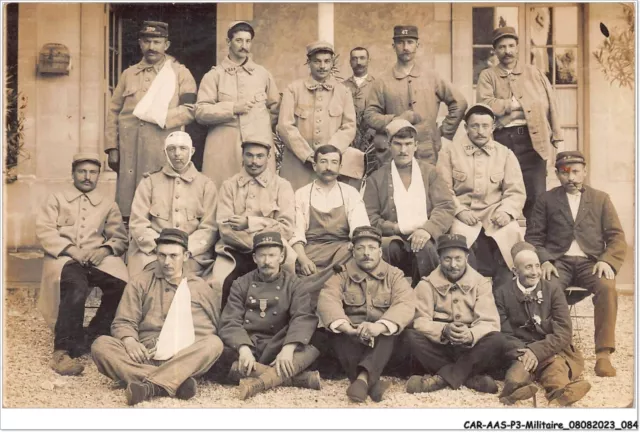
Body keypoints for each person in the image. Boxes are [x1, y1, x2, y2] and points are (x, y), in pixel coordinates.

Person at [91, 228, 223, 406]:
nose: (167, 262)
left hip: (182, 357)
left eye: (173, 256)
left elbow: (215, 326)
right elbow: (123, 321)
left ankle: (148, 387)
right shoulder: (140, 282)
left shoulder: (200, 287)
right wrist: (130, 341)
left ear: (186, 256)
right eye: (162, 255)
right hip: (145, 355)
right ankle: (174, 381)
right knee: (101, 345)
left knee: (214, 343)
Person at [526, 151, 626, 377]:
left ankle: (603, 354)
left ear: (585, 172)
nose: (571, 177)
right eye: (564, 172)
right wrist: (545, 260)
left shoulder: (601, 199)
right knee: (547, 286)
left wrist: (607, 261)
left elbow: (616, 237)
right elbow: (533, 238)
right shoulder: (547, 199)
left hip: (591, 263)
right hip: (558, 262)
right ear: (557, 174)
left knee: (607, 287)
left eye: (576, 172)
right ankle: (556, 349)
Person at [35, 153, 128, 376]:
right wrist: (71, 250)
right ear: (73, 173)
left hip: (97, 258)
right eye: (82, 171)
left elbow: (119, 237)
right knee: (76, 287)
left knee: (121, 284)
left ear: (98, 175)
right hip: (65, 257)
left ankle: (95, 332)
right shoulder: (56, 198)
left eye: (93, 172)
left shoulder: (107, 203)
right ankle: (62, 350)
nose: (87, 177)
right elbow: (44, 230)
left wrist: (104, 250)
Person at [105, 21, 197, 220]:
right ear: (140, 43)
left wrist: (161, 117)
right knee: (128, 206)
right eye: (147, 41)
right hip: (129, 150)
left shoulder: (180, 73)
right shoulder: (128, 75)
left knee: (160, 204)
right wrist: (112, 147)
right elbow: (113, 111)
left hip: (160, 148)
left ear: (167, 45)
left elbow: (190, 110)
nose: (151, 47)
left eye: (157, 41)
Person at [219, 232, 322, 400]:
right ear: (254, 258)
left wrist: (288, 349)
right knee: (220, 354)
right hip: (250, 344)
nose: (267, 261)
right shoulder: (240, 284)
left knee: (319, 337)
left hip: (278, 344)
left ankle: (257, 382)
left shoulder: (294, 284)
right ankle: (298, 379)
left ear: (281, 257)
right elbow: (230, 320)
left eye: (272, 255)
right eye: (262, 256)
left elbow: (302, 316)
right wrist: (244, 349)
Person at [317, 226, 415, 403]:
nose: (366, 253)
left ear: (380, 251)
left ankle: (362, 379)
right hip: (353, 339)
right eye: (360, 248)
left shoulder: (394, 275)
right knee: (335, 333)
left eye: (371, 248)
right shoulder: (342, 275)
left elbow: (405, 303)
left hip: (383, 343)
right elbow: (328, 300)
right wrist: (348, 328)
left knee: (391, 332)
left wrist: (379, 326)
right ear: (353, 252)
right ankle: (373, 382)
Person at [476, 26, 563, 220]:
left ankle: (534, 245)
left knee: (537, 195)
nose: (507, 51)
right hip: (503, 140)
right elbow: (485, 105)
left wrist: (556, 134)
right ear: (495, 50)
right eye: (501, 47)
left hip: (535, 141)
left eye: (511, 46)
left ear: (517, 48)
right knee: (503, 194)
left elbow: (551, 103)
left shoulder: (534, 73)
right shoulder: (488, 76)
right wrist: (516, 104)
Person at [403, 234, 506, 395]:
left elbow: (490, 322)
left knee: (497, 339)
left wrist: (471, 334)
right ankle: (469, 377)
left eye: (458, 259)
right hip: (439, 347)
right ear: (439, 258)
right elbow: (418, 321)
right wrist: (443, 330)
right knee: (409, 336)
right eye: (447, 259)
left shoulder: (481, 284)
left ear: (466, 257)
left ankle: (442, 378)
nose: (453, 265)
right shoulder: (426, 284)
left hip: (470, 348)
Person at [437, 103, 525, 288]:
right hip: (462, 213)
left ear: (493, 127)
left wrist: (506, 212)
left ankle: (505, 295)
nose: (480, 131)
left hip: (494, 212)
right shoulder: (449, 152)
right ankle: (467, 292)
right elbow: (443, 190)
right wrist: (459, 211)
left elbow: (515, 191)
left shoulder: (505, 154)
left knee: (512, 233)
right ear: (466, 127)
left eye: (485, 126)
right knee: (458, 237)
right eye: (475, 126)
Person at [495, 242, 590, 406]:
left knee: (555, 371)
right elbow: (503, 333)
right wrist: (525, 353)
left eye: (537, 266)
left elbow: (564, 332)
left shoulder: (553, 290)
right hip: (519, 351)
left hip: (549, 349)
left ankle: (562, 393)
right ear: (515, 271)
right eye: (528, 267)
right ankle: (515, 392)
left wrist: (537, 351)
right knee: (515, 377)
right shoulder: (502, 293)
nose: (535, 272)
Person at [363, 119, 455, 286]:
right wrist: (395, 228)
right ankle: (388, 297)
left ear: (416, 145)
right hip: (393, 239)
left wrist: (427, 229)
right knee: (386, 247)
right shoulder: (376, 179)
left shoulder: (430, 173)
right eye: (398, 144)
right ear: (389, 145)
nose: (403, 150)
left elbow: (445, 206)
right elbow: (369, 216)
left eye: (408, 144)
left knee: (425, 247)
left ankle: (429, 296)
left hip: (425, 238)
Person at [211, 139, 296, 311]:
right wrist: (254, 244)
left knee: (287, 282)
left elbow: (286, 228)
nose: (254, 161)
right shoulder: (229, 186)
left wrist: (251, 223)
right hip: (234, 250)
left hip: (272, 250)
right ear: (242, 156)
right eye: (249, 155)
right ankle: (222, 327)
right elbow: (225, 228)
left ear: (268, 157)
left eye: (260, 156)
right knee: (218, 282)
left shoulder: (282, 186)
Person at [364, 25, 467, 165]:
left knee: (425, 183)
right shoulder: (382, 80)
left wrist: (443, 132)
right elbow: (370, 115)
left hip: (426, 150)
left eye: (410, 42)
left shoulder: (432, 76)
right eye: (400, 42)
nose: (405, 47)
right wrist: (396, 119)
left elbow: (459, 102)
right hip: (394, 151)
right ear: (393, 46)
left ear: (417, 45)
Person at [195, 21, 280, 187]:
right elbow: (200, 112)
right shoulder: (214, 76)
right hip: (223, 146)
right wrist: (232, 109)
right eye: (239, 41)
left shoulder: (262, 74)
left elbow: (276, 108)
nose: (244, 46)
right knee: (222, 191)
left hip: (258, 143)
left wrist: (260, 126)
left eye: (248, 41)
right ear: (228, 42)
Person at [127, 131, 218, 279]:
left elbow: (209, 228)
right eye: (171, 149)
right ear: (165, 152)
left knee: (189, 283)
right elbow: (138, 224)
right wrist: (162, 250)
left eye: (183, 148)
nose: (177, 154)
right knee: (149, 281)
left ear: (192, 151)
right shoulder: (149, 182)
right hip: (152, 254)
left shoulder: (206, 185)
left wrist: (184, 251)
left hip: (192, 255)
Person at [291, 144, 370, 307]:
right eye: (324, 162)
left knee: (354, 258)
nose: (329, 167)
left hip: (341, 252)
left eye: (334, 162)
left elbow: (360, 229)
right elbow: (296, 233)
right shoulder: (302, 194)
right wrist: (303, 259)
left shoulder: (350, 193)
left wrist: (354, 245)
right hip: (312, 252)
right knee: (303, 287)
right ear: (315, 165)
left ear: (340, 167)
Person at [277, 41, 357, 191]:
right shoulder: (293, 89)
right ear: (309, 63)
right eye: (317, 61)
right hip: (297, 165)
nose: (322, 66)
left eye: (327, 61)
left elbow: (349, 126)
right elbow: (285, 125)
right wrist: (307, 155)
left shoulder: (343, 92)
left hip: (330, 166)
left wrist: (329, 155)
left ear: (332, 63)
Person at [343, 47, 375, 118]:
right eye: (354, 59)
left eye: (362, 58)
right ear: (350, 62)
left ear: (368, 61)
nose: (358, 62)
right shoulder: (342, 86)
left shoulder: (377, 85)